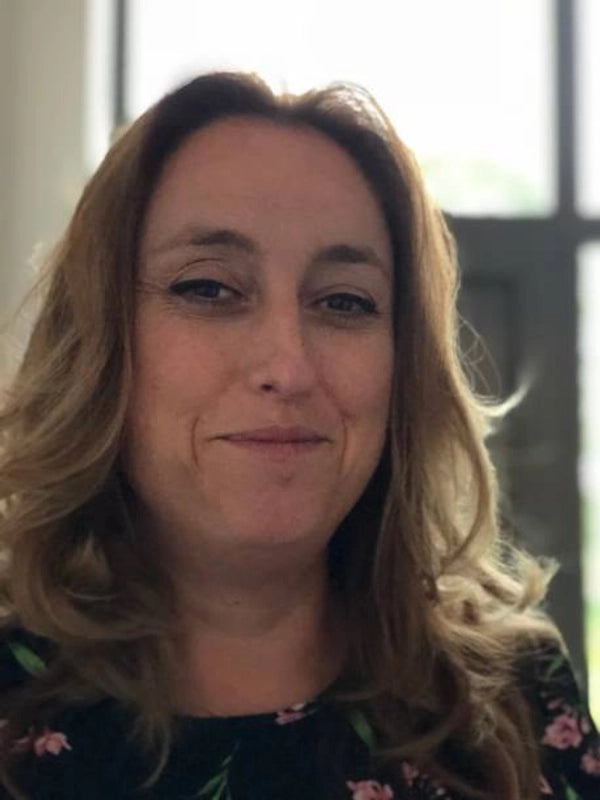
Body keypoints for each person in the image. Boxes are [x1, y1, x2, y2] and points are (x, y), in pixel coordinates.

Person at [0, 70, 597, 800]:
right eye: (207, 288)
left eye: (345, 301)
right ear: (97, 342)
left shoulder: (519, 699)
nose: (288, 366)